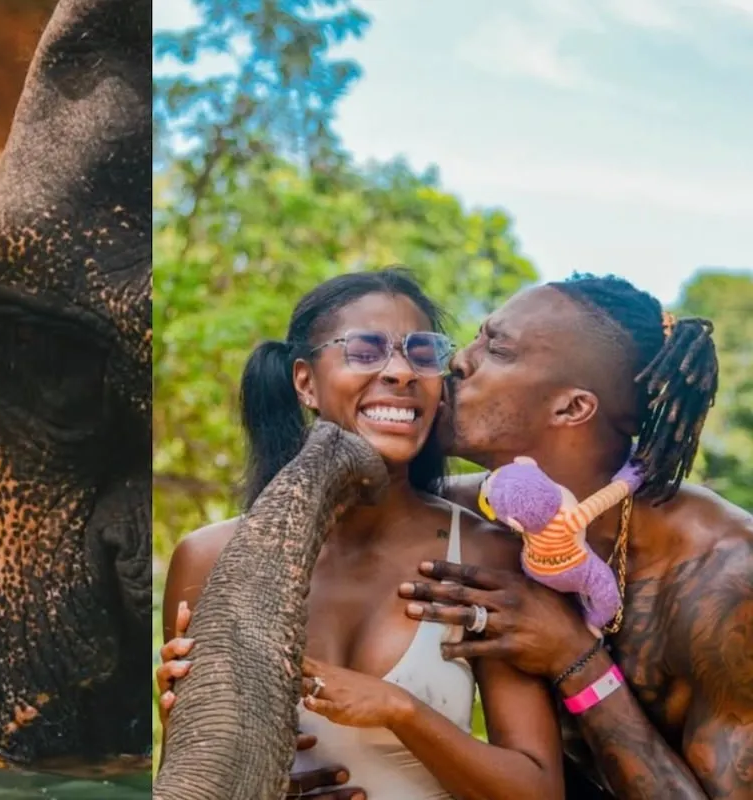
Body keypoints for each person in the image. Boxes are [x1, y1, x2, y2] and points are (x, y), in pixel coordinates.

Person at [158, 269, 565, 799]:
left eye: (422, 354)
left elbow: (539, 790)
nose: (401, 371)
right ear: (305, 381)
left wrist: (399, 710)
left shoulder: (485, 551)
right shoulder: (209, 558)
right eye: (365, 350)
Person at [394, 275, 752, 799]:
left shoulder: (726, 578)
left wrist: (575, 660)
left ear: (572, 408)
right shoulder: (469, 514)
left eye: (496, 348)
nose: (458, 362)